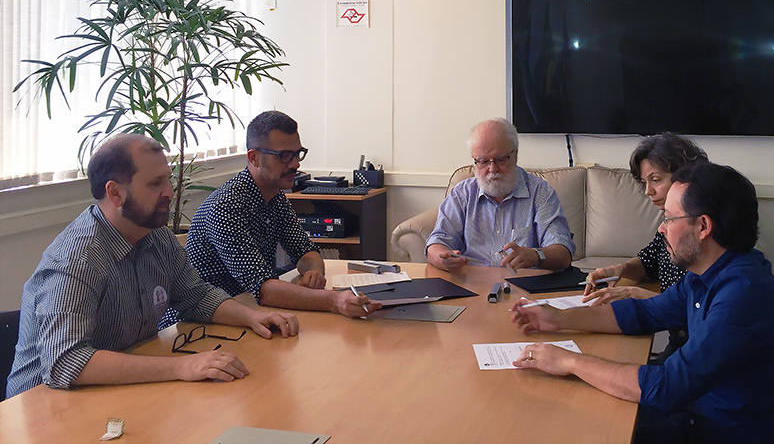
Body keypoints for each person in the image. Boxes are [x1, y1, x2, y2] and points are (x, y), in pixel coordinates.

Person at [511, 163, 774, 444]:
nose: (661, 229)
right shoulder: (708, 272)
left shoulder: (743, 295)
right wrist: (557, 318)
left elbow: (666, 389)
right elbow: (645, 313)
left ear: (703, 227)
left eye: (668, 218)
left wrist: (568, 362)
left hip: (734, 432)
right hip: (705, 415)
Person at [6, 134, 299, 398]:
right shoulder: (76, 260)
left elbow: (195, 295)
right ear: (115, 193)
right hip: (45, 408)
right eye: (154, 183)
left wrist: (252, 317)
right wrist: (182, 366)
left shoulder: (155, 235)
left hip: (116, 390)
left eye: (167, 180)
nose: (170, 192)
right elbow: (65, 362)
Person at [182, 111, 380, 319]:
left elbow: (304, 251)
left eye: (297, 154)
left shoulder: (275, 197)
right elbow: (264, 289)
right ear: (254, 158)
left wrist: (314, 272)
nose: (295, 164)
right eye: (284, 156)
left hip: (250, 311)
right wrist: (335, 301)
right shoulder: (225, 206)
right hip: (201, 324)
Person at [425, 118, 575, 273]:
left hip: (524, 287)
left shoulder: (540, 193)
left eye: (501, 159)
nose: (492, 169)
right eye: (483, 161)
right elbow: (436, 244)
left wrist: (536, 255)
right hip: (472, 284)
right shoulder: (462, 194)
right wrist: (444, 259)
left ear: (515, 154)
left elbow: (562, 254)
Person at [583, 133, 708, 307]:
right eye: (644, 182)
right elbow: (650, 261)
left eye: (655, 180)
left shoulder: (700, 228)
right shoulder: (669, 221)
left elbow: (699, 305)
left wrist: (638, 294)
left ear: (685, 177)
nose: (648, 191)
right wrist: (619, 269)